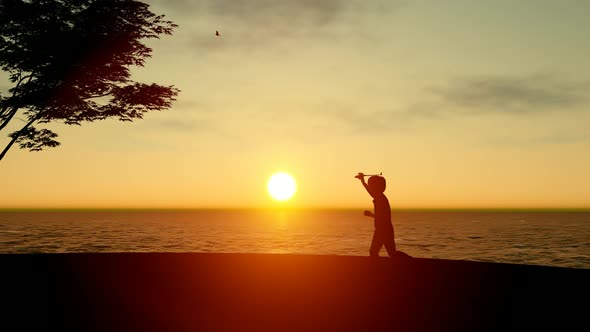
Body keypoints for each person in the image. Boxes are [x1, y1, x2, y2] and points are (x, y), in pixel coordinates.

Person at [355, 173, 396, 257]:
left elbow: (382, 217)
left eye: (371, 185)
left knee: (374, 252)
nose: (370, 187)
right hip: (385, 229)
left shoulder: (380, 198)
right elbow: (370, 191)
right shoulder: (380, 196)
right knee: (391, 253)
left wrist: (369, 214)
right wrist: (363, 181)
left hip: (382, 230)